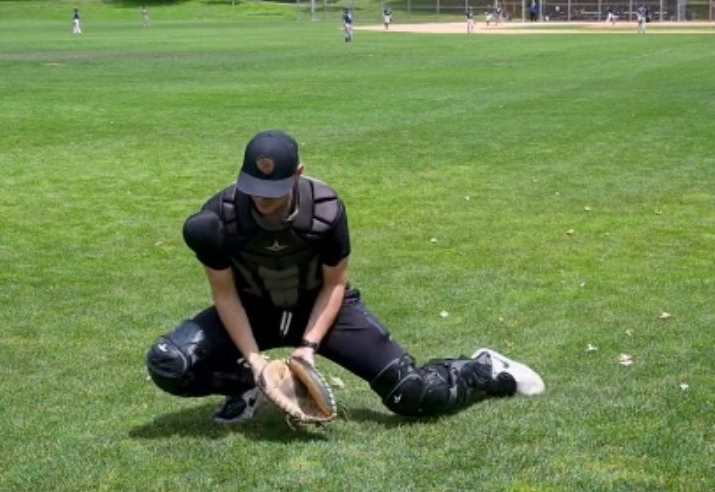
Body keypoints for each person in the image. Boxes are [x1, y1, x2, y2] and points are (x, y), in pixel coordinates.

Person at [145, 131, 545, 424]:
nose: (261, 198)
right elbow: (226, 295)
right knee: (170, 364)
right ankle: (248, 386)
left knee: (413, 395)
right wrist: (256, 362)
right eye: (254, 187)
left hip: (322, 308)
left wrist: (307, 349)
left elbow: (335, 283)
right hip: (254, 309)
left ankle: (484, 368)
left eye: (273, 188)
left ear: (298, 174)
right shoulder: (218, 219)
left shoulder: (324, 210)